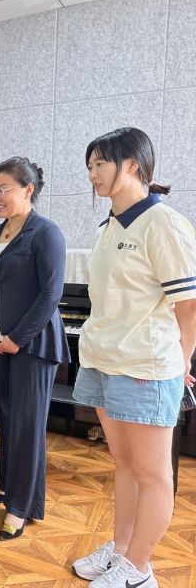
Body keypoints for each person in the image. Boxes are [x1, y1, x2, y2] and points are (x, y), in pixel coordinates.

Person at [70, 128, 196, 588]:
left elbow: (189, 305)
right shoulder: (107, 226)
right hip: (102, 360)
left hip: (145, 366)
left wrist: (182, 362)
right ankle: (121, 550)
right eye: (89, 165)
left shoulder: (164, 224)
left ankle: (139, 570)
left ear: (134, 165)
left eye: (100, 163)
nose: (92, 174)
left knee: (152, 473)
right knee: (123, 464)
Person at [0, 157, 69, 541]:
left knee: (27, 426)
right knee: (9, 420)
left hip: (32, 346)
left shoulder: (46, 233)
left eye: (4, 189)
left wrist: (16, 338)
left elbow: (51, 294)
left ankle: (20, 507)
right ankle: (9, 488)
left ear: (28, 190)